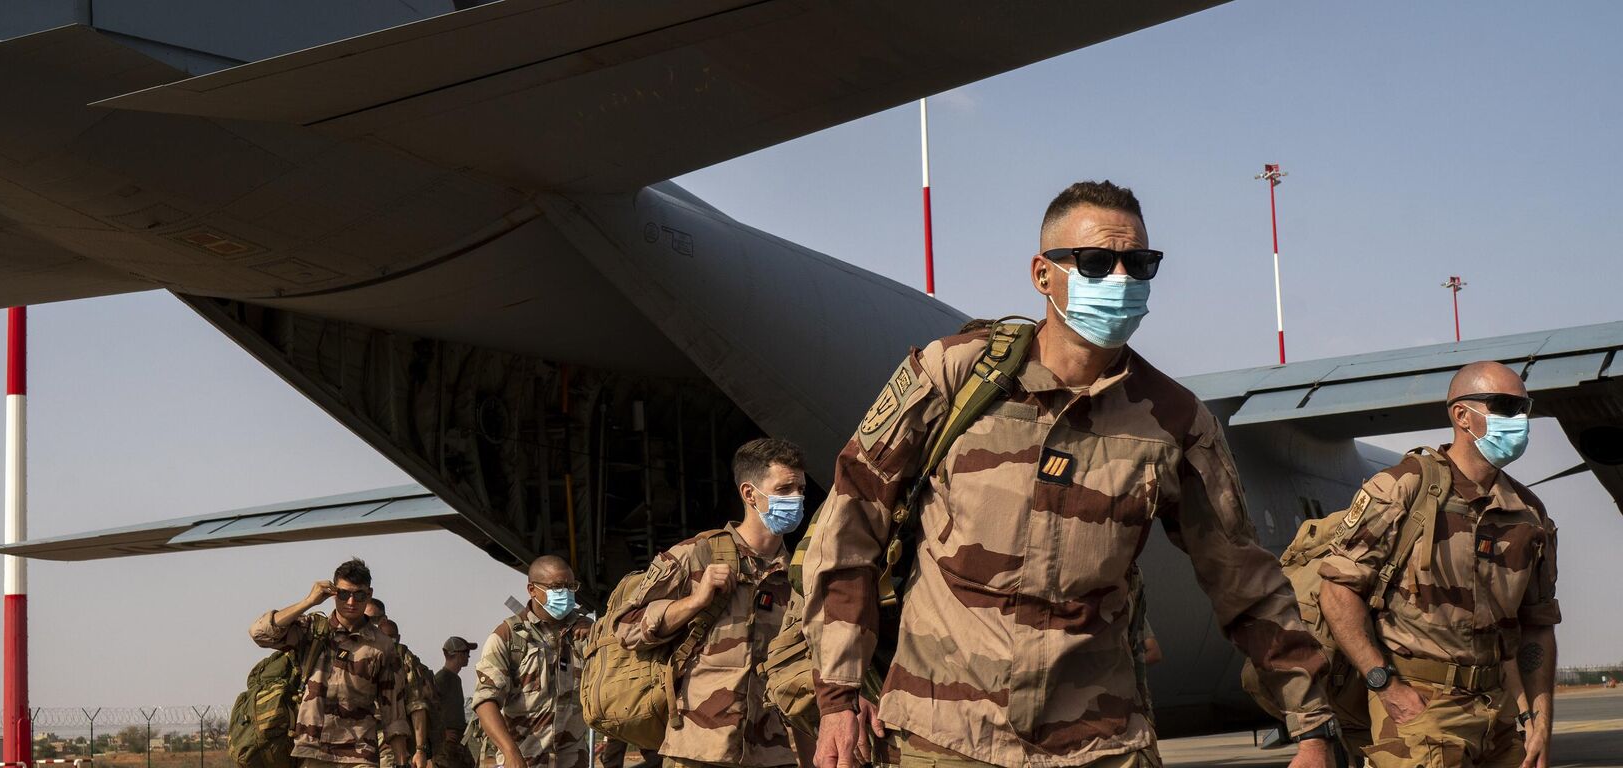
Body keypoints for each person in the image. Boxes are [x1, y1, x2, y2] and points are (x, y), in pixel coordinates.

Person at [800, 180, 1337, 768]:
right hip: (945, 737)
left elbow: (1243, 578)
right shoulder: (956, 374)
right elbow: (852, 523)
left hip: (1100, 742)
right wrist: (837, 698)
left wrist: (1311, 724)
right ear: (1042, 274)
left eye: (1139, 264)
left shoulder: (1176, 421)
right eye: (1097, 262)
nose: (1121, 280)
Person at [1317, 361, 1559, 767]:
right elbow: (1337, 590)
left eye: (1523, 408)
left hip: (1499, 713)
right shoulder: (1403, 488)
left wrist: (1540, 720)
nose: (1518, 420)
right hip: (1421, 707)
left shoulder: (1528, 513)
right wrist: (1385, 685)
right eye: (1503, 405)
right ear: (1462, 415)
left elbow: (1537, 626)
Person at [614, 438, 808, 768]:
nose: (797, 499)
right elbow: (626, 628)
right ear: (750, 494)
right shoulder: (697, 554)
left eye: (801, 489)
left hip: (774, 752)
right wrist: (695, 600)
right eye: (785, 489)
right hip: (698, 750)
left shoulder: (800, 575)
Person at [250, 558, 418, 768]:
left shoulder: (382, 646)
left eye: (359, 595)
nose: (351, 602)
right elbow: (260, 633)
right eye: (344, 594)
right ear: (333, 593)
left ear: (369, 594)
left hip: (360, 754)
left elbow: (393, 709)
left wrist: (402, 761)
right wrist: (308, 601)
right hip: (313, 750)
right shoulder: (311, 630)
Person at [473, 555, 592, 768]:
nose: (565, 593)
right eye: (556, 587)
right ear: (532, 590)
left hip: (572, 761)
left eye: (570, 586)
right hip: (524, 760)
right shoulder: (508, 638)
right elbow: (485, 702)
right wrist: (510, 752)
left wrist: (597, 635)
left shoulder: (585, 633)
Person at [379, 618, 439, 768]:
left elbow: (417, 706)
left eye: (391, 638)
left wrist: (420, 749)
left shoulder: (404, 659)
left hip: (393, 743)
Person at [434, 637, 478, 768]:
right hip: (446, 744)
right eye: (466, 652)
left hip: (458, 741)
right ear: (457, 654)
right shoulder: (441, 679)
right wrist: (442, 734)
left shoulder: (455, 679)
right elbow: (428, 710)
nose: (468, 656)